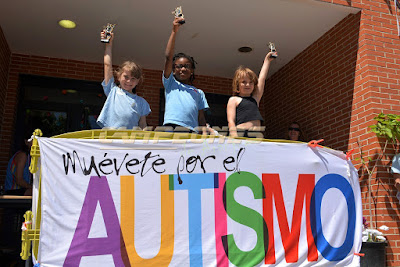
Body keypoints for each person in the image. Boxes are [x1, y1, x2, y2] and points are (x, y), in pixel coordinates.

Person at [162, 16, 209, 132]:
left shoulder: (199, 93)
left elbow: (201, 117)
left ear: (192, 70)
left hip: (192, 131)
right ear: (173, 70)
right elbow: (168, 58)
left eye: (187, 66)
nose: (182, 69)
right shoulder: (170, 84)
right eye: (178, 66)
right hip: (171, 128)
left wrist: (203, 134)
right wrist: (174, 31)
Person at [96, 31, 151, 129]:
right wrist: (109, 45)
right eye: (126, 77)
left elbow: (143, 125)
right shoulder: (112, 91)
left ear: (138, 81)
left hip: (128, 141)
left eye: (133, 79)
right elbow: (107, 65)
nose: (129, 81)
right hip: (110, 137)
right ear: (118, 76)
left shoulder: (142, 103)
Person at [226, 52, 276, 137]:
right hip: (240, 134)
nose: (248, 85)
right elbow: (231, 120)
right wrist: (235, 137)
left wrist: (267, 61)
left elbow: (262, 79)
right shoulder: (233, 100)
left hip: (256, 135)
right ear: (238, 85)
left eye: (250, 82)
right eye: (244, 82)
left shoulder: (255, 98)